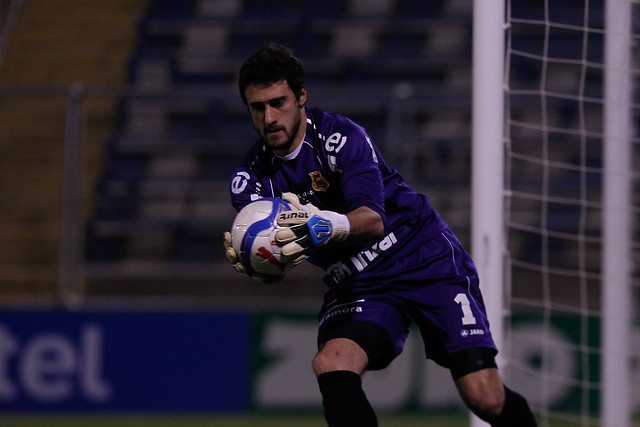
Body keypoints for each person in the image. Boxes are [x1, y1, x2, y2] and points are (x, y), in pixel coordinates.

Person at [224, 42, 537, 427]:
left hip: (422, 255)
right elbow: (280, 257)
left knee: (485, 397)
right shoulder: (250, 180)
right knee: (331, 363)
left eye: (279, 102)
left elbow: (372, 220)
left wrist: (325, 224)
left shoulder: (341, 138)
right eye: (258, 107)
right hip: (360, 281)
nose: (270, 117)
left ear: (301, 96)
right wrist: (263, 265)